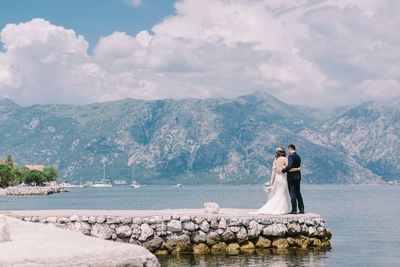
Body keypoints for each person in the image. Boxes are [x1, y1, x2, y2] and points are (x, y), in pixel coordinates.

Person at [251, 146, 300, 215]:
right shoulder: (286, 159)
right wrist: (297, 169)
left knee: (278, 192)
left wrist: (271, 182)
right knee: (282, 193)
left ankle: (274, 207)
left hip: (277, 179)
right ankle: (282, 209)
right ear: (283, 152)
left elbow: (273, 172)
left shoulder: (275, 160)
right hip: (283, 179)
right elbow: (288, 169)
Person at [278, 144, 304, 214]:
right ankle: (301, 209)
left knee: (292, 193)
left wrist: (283, 170)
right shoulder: (298, 156)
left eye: (288, 150)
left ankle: (294, 210)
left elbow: (289, 166)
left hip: (292, 177)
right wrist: (296, 169)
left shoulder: (291, 156)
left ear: (290, 149)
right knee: (298, 193)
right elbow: (297, 166)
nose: (288, 151)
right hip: (298, 176)